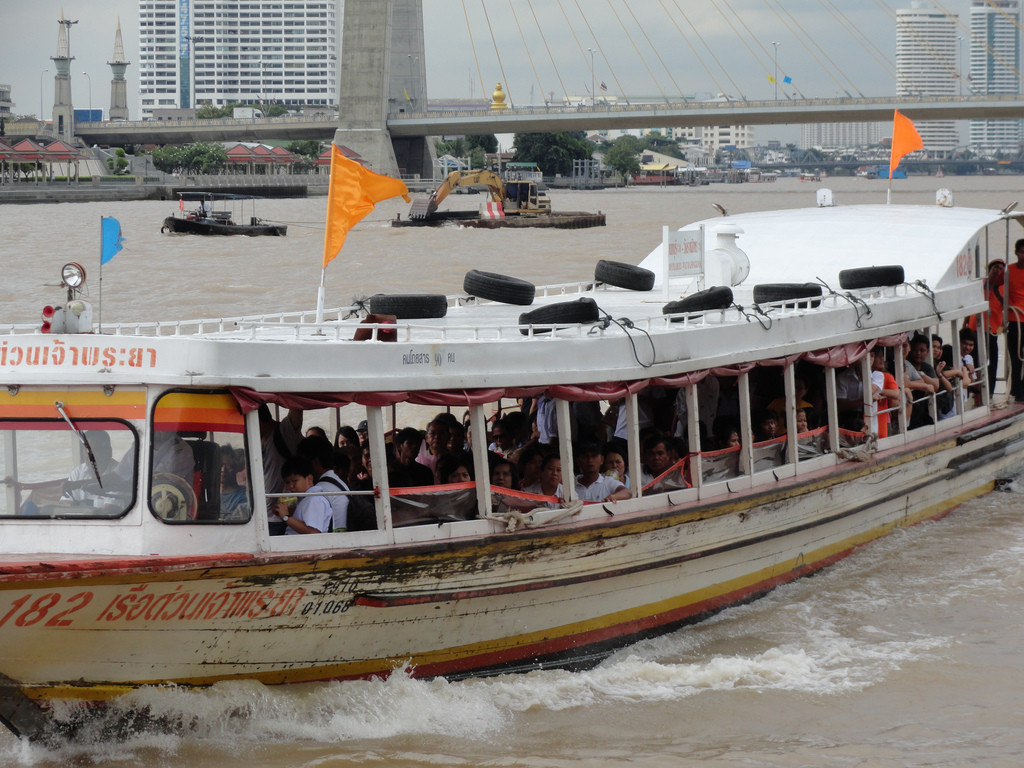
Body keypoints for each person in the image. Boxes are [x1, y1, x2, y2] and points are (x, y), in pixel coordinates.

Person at [259, 404, 303, 536]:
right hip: (261, 517)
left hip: (278, 518)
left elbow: (296, 410)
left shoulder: (283, 432)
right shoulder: (257, 441)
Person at [296, 435, 349, 532]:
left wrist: (286, 517)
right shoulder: (339, 483)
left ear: (315, 463)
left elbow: (312, 532)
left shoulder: (318, 492)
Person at [968, 259, 1005, 396]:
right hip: (974, 328)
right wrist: (964, 325)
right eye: (996, 267)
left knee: (991, 363)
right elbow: (969, 305)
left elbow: (1007, 307)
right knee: (973, 361)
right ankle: (974, 391)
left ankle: (989, 392)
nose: (998, 270)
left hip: (991, 331)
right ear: (989, 268)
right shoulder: (979, 285)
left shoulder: (1003, 289)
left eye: (1001, 269)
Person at [275, 455, 332, 535]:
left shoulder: (314, 499)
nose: (291, 486)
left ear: (309, 479)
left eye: (294, 481)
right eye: (287, 482)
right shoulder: (305, 499)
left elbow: (313, 531)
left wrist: (286, 517)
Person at [1008, 239, 1024, 402]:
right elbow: (993, 286)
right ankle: (1016, 390)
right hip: (1014, 320)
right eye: (1022, 252)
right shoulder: (1009, 271)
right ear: (1016, 252)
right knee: (1016, 357)